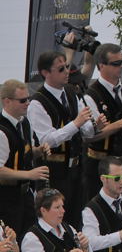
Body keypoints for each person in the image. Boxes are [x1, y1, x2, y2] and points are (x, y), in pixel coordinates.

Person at [0, 79, 51, 252]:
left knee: (31, 239)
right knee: (7, 247)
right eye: (22, 101)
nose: (27, 104)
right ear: (6, 101)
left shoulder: (24, 124)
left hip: (23, 196)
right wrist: (28, 174)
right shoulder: (2, 131)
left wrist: (40, 151)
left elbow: (24, 151)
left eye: (28, 99)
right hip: (5, 198)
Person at [28, 50, 96, 229]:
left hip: (76, 168)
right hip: (54, 173)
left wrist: (92, 126)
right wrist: (76, 123)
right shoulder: (37, 102)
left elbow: (85, 129)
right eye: (60, 69)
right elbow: (47, 140)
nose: (66, 71)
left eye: (66, 66)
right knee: (56, 221)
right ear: (45, 73)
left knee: (76, 219)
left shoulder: (71, 92)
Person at [83, 43, 122, 199]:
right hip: (99, 168)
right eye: (116, 63)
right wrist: (120, 123)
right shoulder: (90, 96)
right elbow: (89, 136)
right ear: (101, 66)